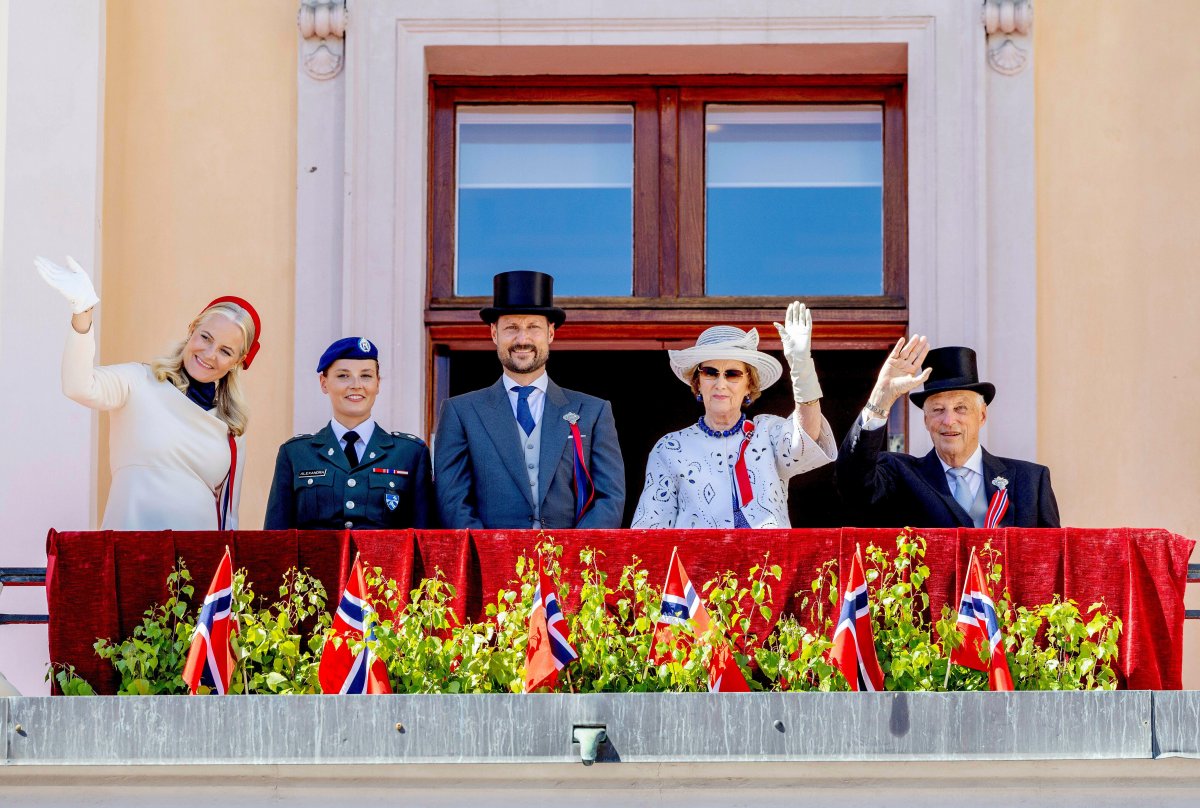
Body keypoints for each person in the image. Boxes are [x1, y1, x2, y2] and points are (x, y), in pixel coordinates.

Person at [35, 255, 260, 530]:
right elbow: (78, 385)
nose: (210, 354)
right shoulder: (138, 380)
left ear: (238, 362)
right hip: (129, 552)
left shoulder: (233, 427)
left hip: (196, 564)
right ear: (192, 330)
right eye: (206, 337)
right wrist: (83, 313)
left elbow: (229, 516)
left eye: (226, 351)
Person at [434, 270, 625, 529]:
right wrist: (490, 558)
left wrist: (573, 558)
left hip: (568, 564)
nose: (522, 339)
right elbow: (452, 500)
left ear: (550, 333)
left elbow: (610, 498)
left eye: (533, 327)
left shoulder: (593, 411)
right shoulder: (460, 412)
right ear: (494, 334)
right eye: (511, 327)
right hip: (491, 563)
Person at [631, 302, 837, 529]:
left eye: (732, 374)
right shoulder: (670, 447)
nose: (721, 384)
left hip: (767, 562)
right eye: (710, 372)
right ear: (697, 382)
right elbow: (648, 529)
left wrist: (801, 367)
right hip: (696, 564)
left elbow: (807, 437)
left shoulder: (767, 432)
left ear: (749, 384)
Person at [837, 336, 1060, 528]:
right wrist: (880, 398)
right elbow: (852, 484)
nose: (949, 420)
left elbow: (1053, 562)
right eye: (937, 410)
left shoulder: (1030, 481)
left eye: (961, 408)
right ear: (926, 420)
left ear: (981, 416)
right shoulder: (901, 476)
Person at [264, 337, 435, 530]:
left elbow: (424, 538)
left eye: (366, 376)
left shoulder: (410, 453)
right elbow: (275, 539)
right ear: (323, 383)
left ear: (377, 383)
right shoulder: (296, 454)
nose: (356, 385)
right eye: (343, 376)